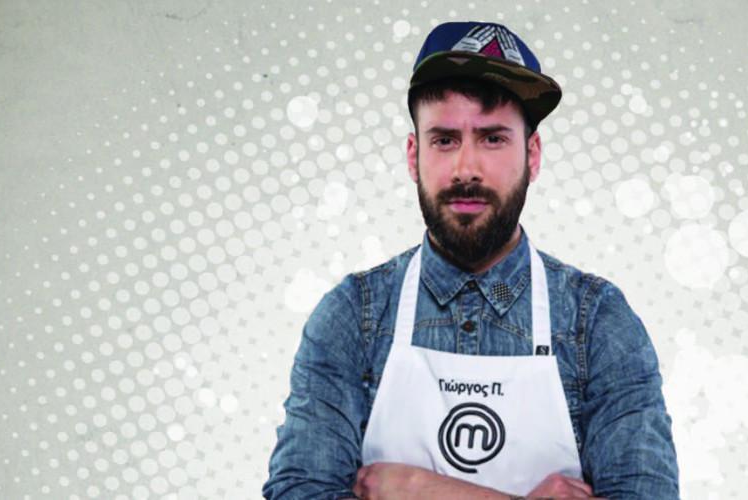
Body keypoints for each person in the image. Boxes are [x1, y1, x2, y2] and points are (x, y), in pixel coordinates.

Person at [263, 21, 679, 499]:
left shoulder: (596, 320)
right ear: (413, 155)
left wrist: (413, 488)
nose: (466, 169)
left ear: (533, 155)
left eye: (492, 138)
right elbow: (298, 492)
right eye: (444, 140)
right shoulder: (354, 314)